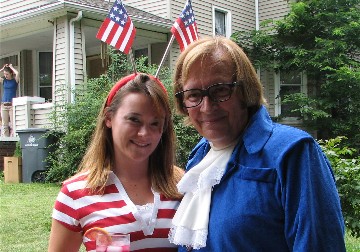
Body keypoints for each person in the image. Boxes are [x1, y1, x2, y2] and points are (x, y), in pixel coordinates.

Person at [169, 36, 346, 251]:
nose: (207, 107)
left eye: (221, 90)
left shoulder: (292, 153)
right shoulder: (200, 158)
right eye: (194, 95)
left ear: (245, 90)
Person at [48, 73, 184, 252]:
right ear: (109, 118)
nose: (144, 133)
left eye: (155, 123)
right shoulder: (75, 194)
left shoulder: (183, 186)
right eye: (134, 120)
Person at [0, 63, 19, 137]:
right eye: (4, 74)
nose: (5, 76)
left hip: (12, 105)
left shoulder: (15, 81)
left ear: (11, 73)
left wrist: (11, 67)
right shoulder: (4, 81)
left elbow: (17, 73)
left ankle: (13, 139)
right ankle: (6, 140)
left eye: (7, 74)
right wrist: (2, 69)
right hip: (4, 104)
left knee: (13, 124)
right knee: (5, 124)